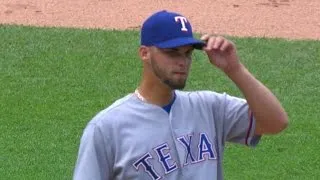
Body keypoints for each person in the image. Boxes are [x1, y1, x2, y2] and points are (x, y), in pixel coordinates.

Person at [72, 10, 288, 180]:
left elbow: (276, 122)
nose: (182, 61)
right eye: (171, 53)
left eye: (187, 53)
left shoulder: (210, 107)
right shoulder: (106, 127)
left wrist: (235, 69)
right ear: (144, 53)